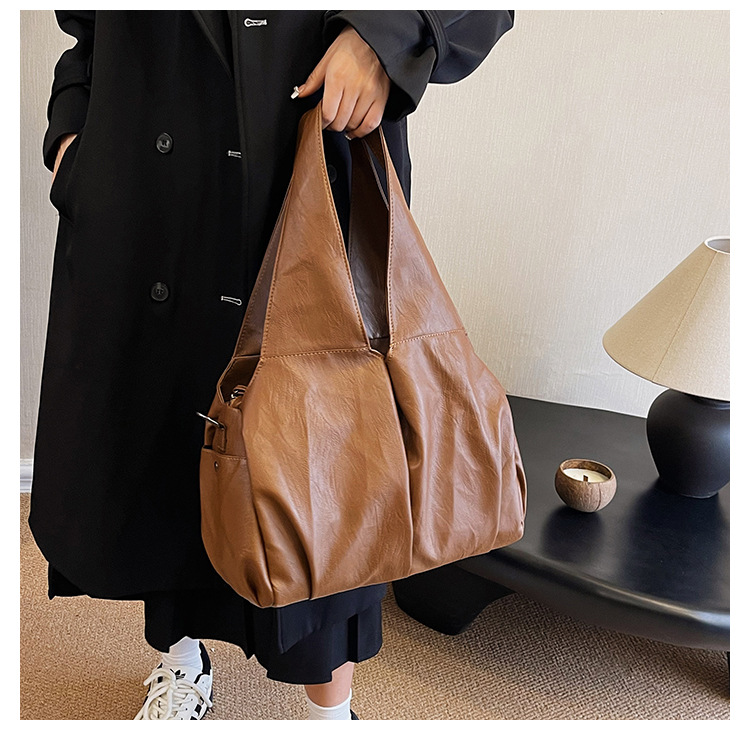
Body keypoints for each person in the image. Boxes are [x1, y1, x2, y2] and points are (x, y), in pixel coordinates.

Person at [30, 10, 516, 721]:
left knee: (333, 471)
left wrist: (385, 37)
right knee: (171, 457)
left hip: (309, 173)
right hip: (151, 188)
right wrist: (70, 143)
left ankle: (330, 710)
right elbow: (91, 31)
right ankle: (181, 662)